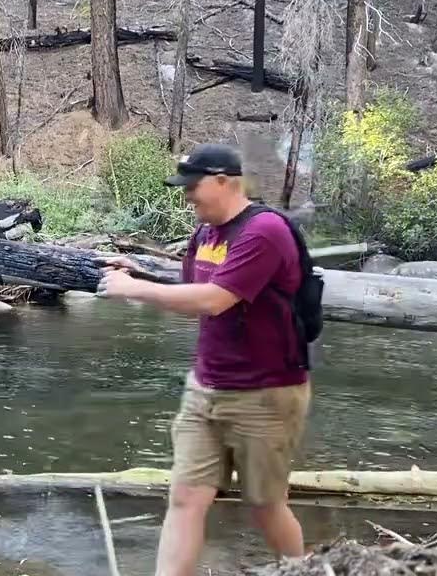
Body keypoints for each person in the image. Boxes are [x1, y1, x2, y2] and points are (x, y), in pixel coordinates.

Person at [96, 143, 311, 574]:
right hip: (205, 388)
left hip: (266, 393)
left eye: (193, 187)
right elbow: (194, 284)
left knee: (266, 505)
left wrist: (132, 290)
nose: (187, 196)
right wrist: (142, 272)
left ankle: (302, 570)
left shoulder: (264, 231)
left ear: (223, 181)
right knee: (186, 497)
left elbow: (215, 299)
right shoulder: (206, 233)